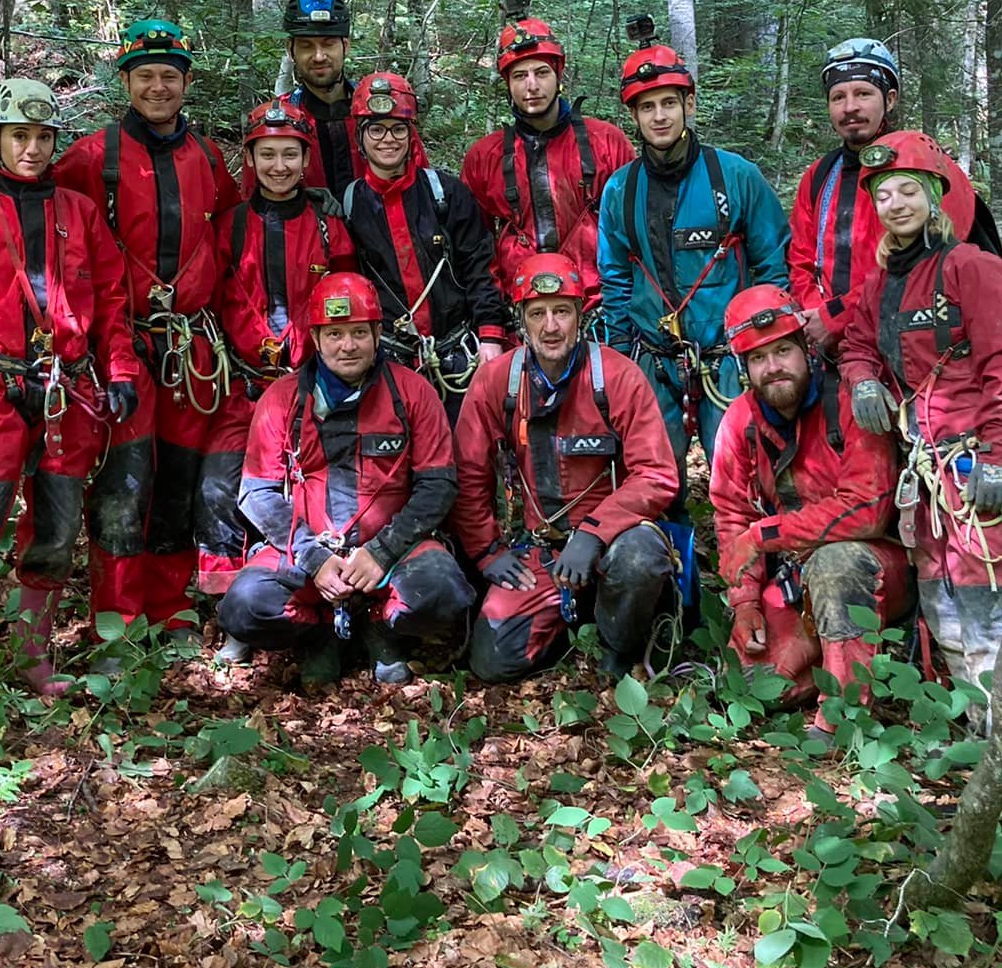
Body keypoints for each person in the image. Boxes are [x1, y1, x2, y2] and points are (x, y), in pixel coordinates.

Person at [0, 19, 238, 628]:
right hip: (106, 352)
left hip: (188, 352)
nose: (159, 87)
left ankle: (171, 606)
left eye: (170, 76)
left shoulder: (207, 157)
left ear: (186, 83)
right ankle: (118, 620)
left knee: (177, 480)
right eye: (146, 75)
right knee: (124, 488)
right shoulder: (92, 157)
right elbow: (30, 197)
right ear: (125, 81)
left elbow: (235, 231)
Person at [0, 79, 143, 695]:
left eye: (44, 137)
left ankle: (31, 658)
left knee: (55, 532)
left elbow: (113, 301)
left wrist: (119, 371)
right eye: (20, 135)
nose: (33, 149)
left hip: (68, 393)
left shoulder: (81, 213)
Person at [838, 132, 1002, 756]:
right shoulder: (883, 284)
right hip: (925, 477)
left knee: (987, 611)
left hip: (973, 468)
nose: (896, 204)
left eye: (909, 191)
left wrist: (998, 453)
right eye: (884, 195)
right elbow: (854, 343)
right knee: (942, 609)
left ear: (936, 198)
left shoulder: (972, 270)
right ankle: (981, 740)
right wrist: (864, 379)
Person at [218, 272, 474, 687]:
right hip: (306, 557)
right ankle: (318, 632)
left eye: (359, 332)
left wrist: (383, 551)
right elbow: (257, 491)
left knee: (445, 591)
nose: (348, 345)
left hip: (389, 557)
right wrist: (314, 558)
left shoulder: (413, 394)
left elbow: (437, 483)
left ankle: (380, 629)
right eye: (335, 334)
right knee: (245, 605)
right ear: (316, 339)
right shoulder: (281, 400)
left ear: (377, 334)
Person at [452, 253, 681, 683]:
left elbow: (656, 473)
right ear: (520, 320)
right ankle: (568, 622)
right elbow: (468, 474)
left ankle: (619, 649)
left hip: (612, 541)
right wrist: (486, 552)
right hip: (542, 550)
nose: (550, 326)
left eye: (562, 311)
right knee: (491, 661)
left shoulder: (616, 377)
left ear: (580, 316)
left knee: (639, 559)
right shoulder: (497, 382)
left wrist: (595, 532)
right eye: (537, 313)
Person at [707, 285, 911, 715]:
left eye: (782, 351)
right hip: (796, 575)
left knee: (836, 564)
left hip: (879, 564)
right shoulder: (741, 421)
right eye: (758, 358)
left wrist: (766, 534)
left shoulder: (849, 404)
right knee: (747, 688)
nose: (773, 367)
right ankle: (829, 653)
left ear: (806, 348)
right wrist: (745, 603)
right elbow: (731, 513)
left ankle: (842, 714)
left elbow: (867, 511)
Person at [597, 42, 791, 477]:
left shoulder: (736, 177)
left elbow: (774, 265)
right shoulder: (619, 191)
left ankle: (749, 545)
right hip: (652, 360)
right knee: (654, 479)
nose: (659, 116)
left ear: (689, 104)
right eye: (647, 107)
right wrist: (621, 361)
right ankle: (669, 546)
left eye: (669, 103)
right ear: (634, 116)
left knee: (741, 475)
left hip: (728, 362)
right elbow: (615, 280)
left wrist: (766, 348)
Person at [197, 99, 356, 632]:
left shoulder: (328, 226)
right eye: (268, 154)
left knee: (308, 487)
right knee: (219, 485)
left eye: (290, 154)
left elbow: (348, 296)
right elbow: (210, 293)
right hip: (242, 384)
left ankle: (304, 592)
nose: (280, 166)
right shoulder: (230, 225)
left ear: (305, 158)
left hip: (313, 387)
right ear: (251, 158)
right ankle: (228, 606)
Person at [788, 39, 998, 353]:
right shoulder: (819, 176)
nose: (850, 108)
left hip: (913, 344)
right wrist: (815, 315)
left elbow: (923, 265)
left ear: (890, 99)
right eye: (838, 97)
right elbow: (800, 258)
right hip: (830, 349)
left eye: (863, 94)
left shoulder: (925, 167)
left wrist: (834, 317)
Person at [335, 71, 510, 420]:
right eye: (376, 129)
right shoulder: (350, 205)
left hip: (458, 357)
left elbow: (480, 266)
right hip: (389, 362)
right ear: (360, 137)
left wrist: (491, 335)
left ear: (411, 134)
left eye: (398, 129)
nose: (388, 139)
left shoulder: (445, 194)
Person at [460, 17, 633, 307]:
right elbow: (475, 250)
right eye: (519, 76)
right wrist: (493, 321)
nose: (532, 86)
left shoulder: (606, 142)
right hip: (522, 308)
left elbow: (634, 234)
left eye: (541, 73)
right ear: (507, 84)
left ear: (558, 75)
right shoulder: (485, 157)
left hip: (601, 307)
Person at [277, 0, 358, 193]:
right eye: (306, 46)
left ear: (345, 46)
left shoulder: (378, 113)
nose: (319, 56)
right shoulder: (277, 122)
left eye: (328, 43)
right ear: (290, 49)